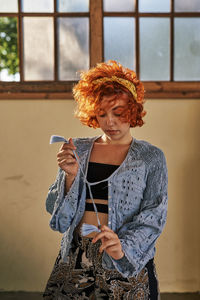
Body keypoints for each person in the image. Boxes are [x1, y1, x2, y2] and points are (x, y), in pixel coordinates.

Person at [43, 60, 168, 300]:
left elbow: (154, 216)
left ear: (132, 111)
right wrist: (69, 177)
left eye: (118, 113)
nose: (109, 122)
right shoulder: (77, 149)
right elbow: (54, 211)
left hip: (125, 259)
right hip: (76, 258)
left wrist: (123, 248)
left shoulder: (151, 158)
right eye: (102, 114)